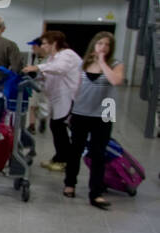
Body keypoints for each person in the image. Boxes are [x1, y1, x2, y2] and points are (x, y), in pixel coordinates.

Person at [62, 31, 125, 209]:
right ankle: (69, 183)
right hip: (82, 110)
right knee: (75, 150)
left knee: (98, 153)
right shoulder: (84, 64)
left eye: (106, 44)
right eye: (100, 44)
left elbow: (115, 81)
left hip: (105, 111)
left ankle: (95, 192)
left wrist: (103, 62)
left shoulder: (116, 64)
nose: (103, 47)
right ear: (94, 45)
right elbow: (75, 88)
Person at [23, 30, 81, 172]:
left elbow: (59, 69)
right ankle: (59, 157)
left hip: (69, 98)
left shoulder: (67, 55)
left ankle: (63, 160)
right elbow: (49, 74)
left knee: (59, 128)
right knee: (56, 127)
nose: (42, 46)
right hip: (58, 99)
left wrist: (37, 67)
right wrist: (37, 77)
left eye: (44, 43)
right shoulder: (52, 58)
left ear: (54, 43)